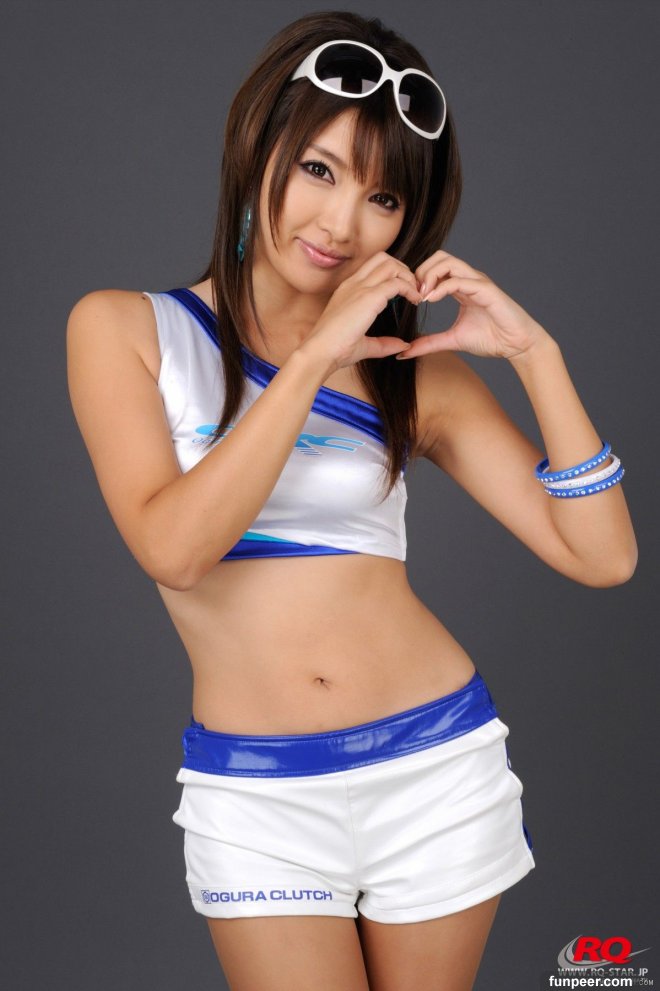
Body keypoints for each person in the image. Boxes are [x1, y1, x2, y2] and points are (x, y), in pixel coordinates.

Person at [66, 10, 638, 991]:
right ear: (258, 147)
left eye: (382, 197)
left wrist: (536, 355)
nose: (340, 224)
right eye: (318, 169)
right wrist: (313, 358)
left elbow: (603, 555)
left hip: (434, 768)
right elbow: (174, 550)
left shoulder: (414, 374)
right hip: (258, 794)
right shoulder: (126, 329)